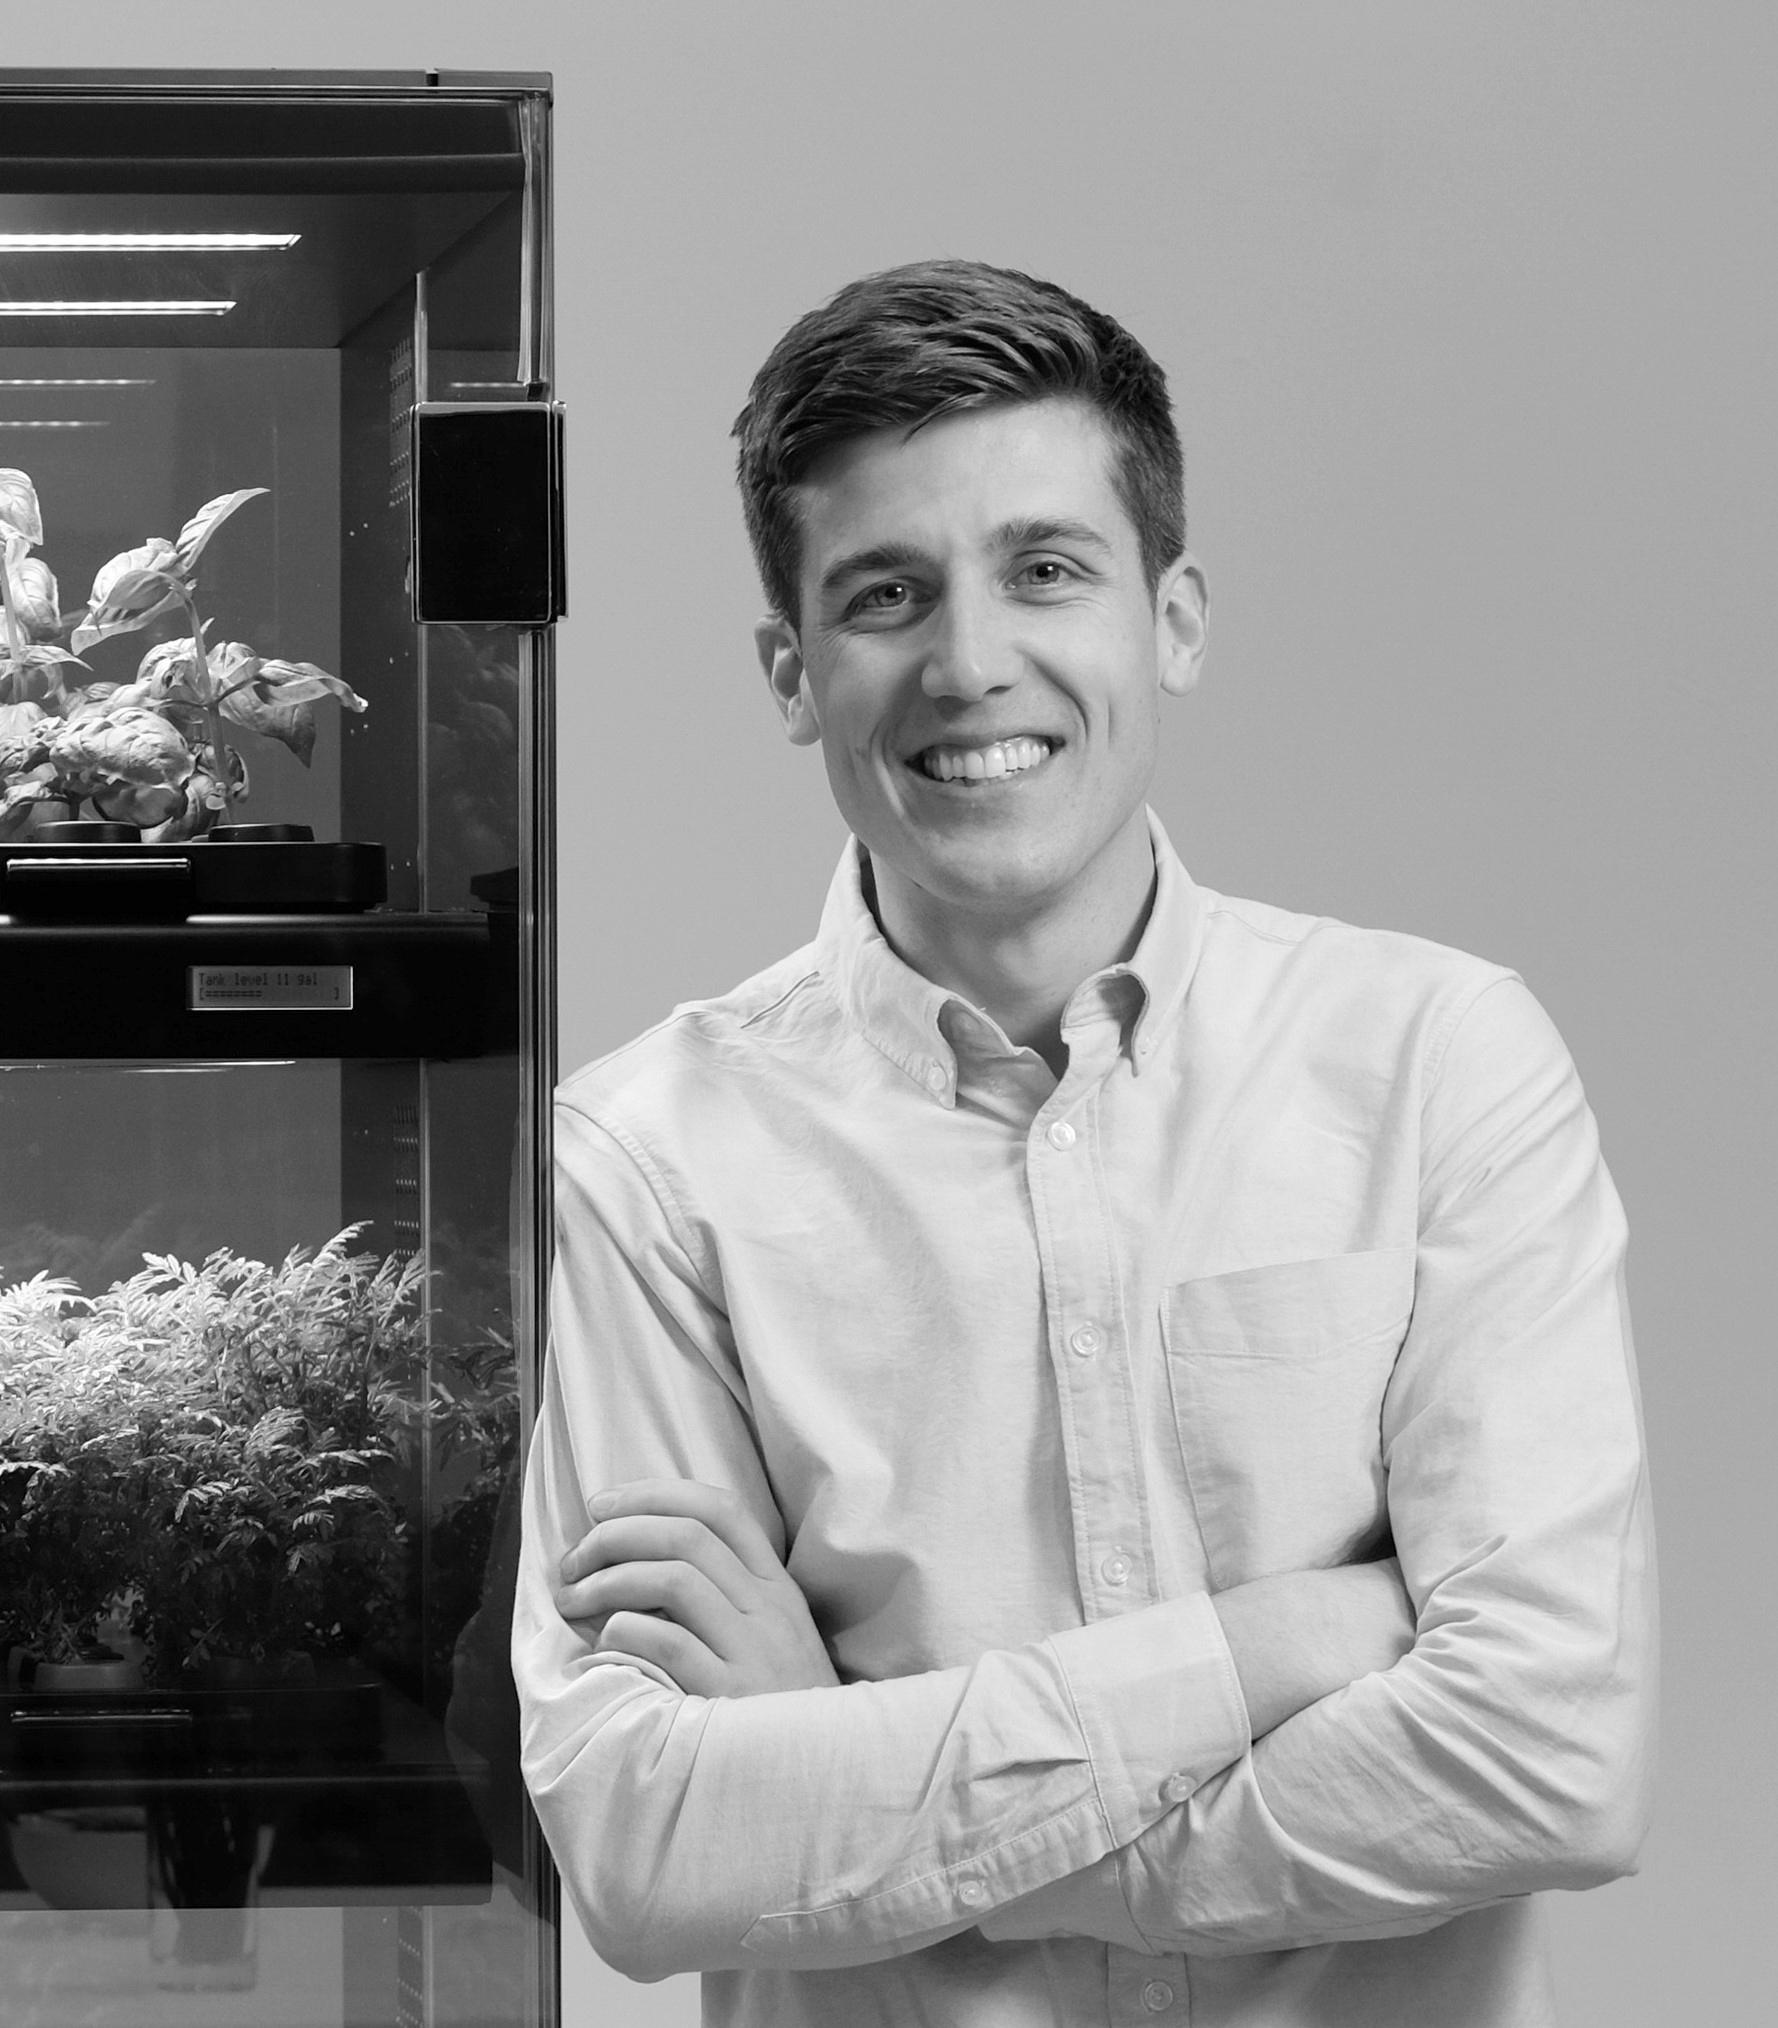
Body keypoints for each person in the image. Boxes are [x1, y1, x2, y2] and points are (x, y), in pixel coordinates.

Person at [514, 259, 1655, 2027]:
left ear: (1172, 618)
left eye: (1045, 570)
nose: (971, 664)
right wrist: (1273, 1649)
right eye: (883, 594)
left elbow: (1542, 1763)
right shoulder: (645, 1157)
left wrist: (851, 1802)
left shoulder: (1439, 1060)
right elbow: (653, 1853)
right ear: (790, 672)